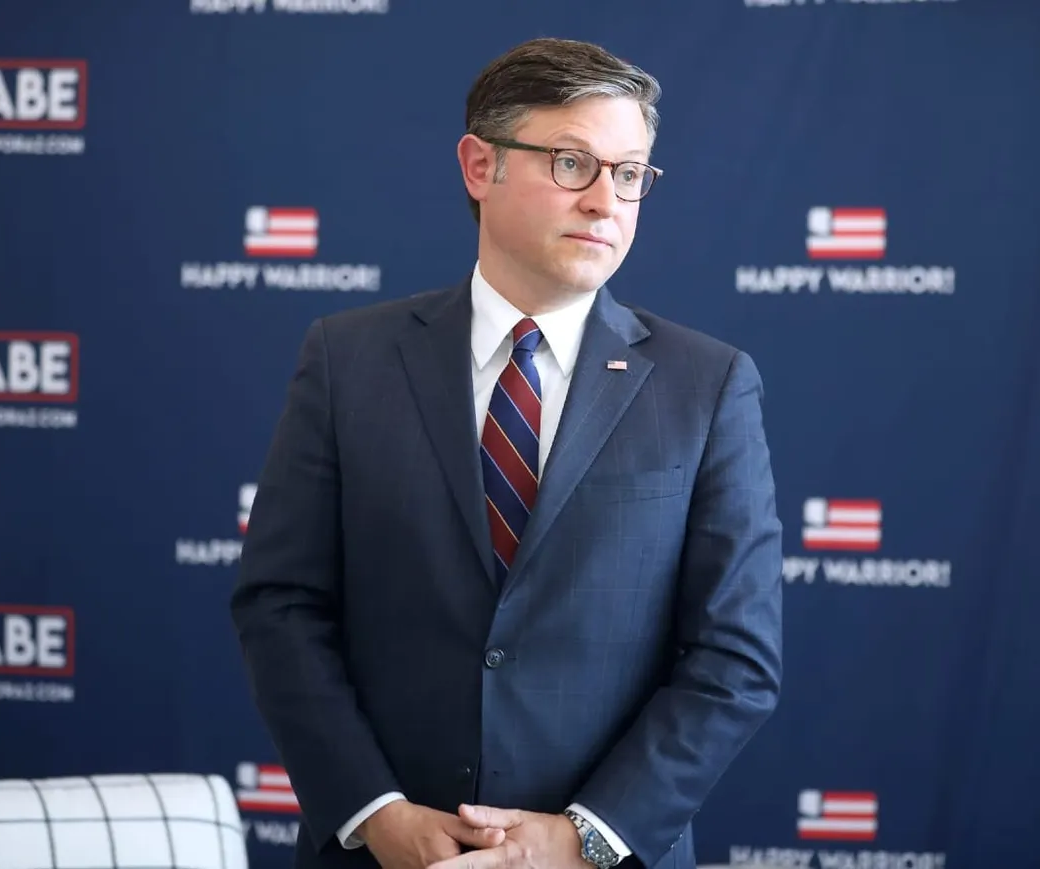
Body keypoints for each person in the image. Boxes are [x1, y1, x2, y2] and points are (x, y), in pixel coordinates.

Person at [230, 36, 783, 869]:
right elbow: (282, 604)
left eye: (630, 173)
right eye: (572, 163)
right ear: (479, 166)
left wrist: (582, 837)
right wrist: (377, 814)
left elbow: (734, 659)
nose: (605, 201)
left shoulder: (707, 385)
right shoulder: (349, 360)